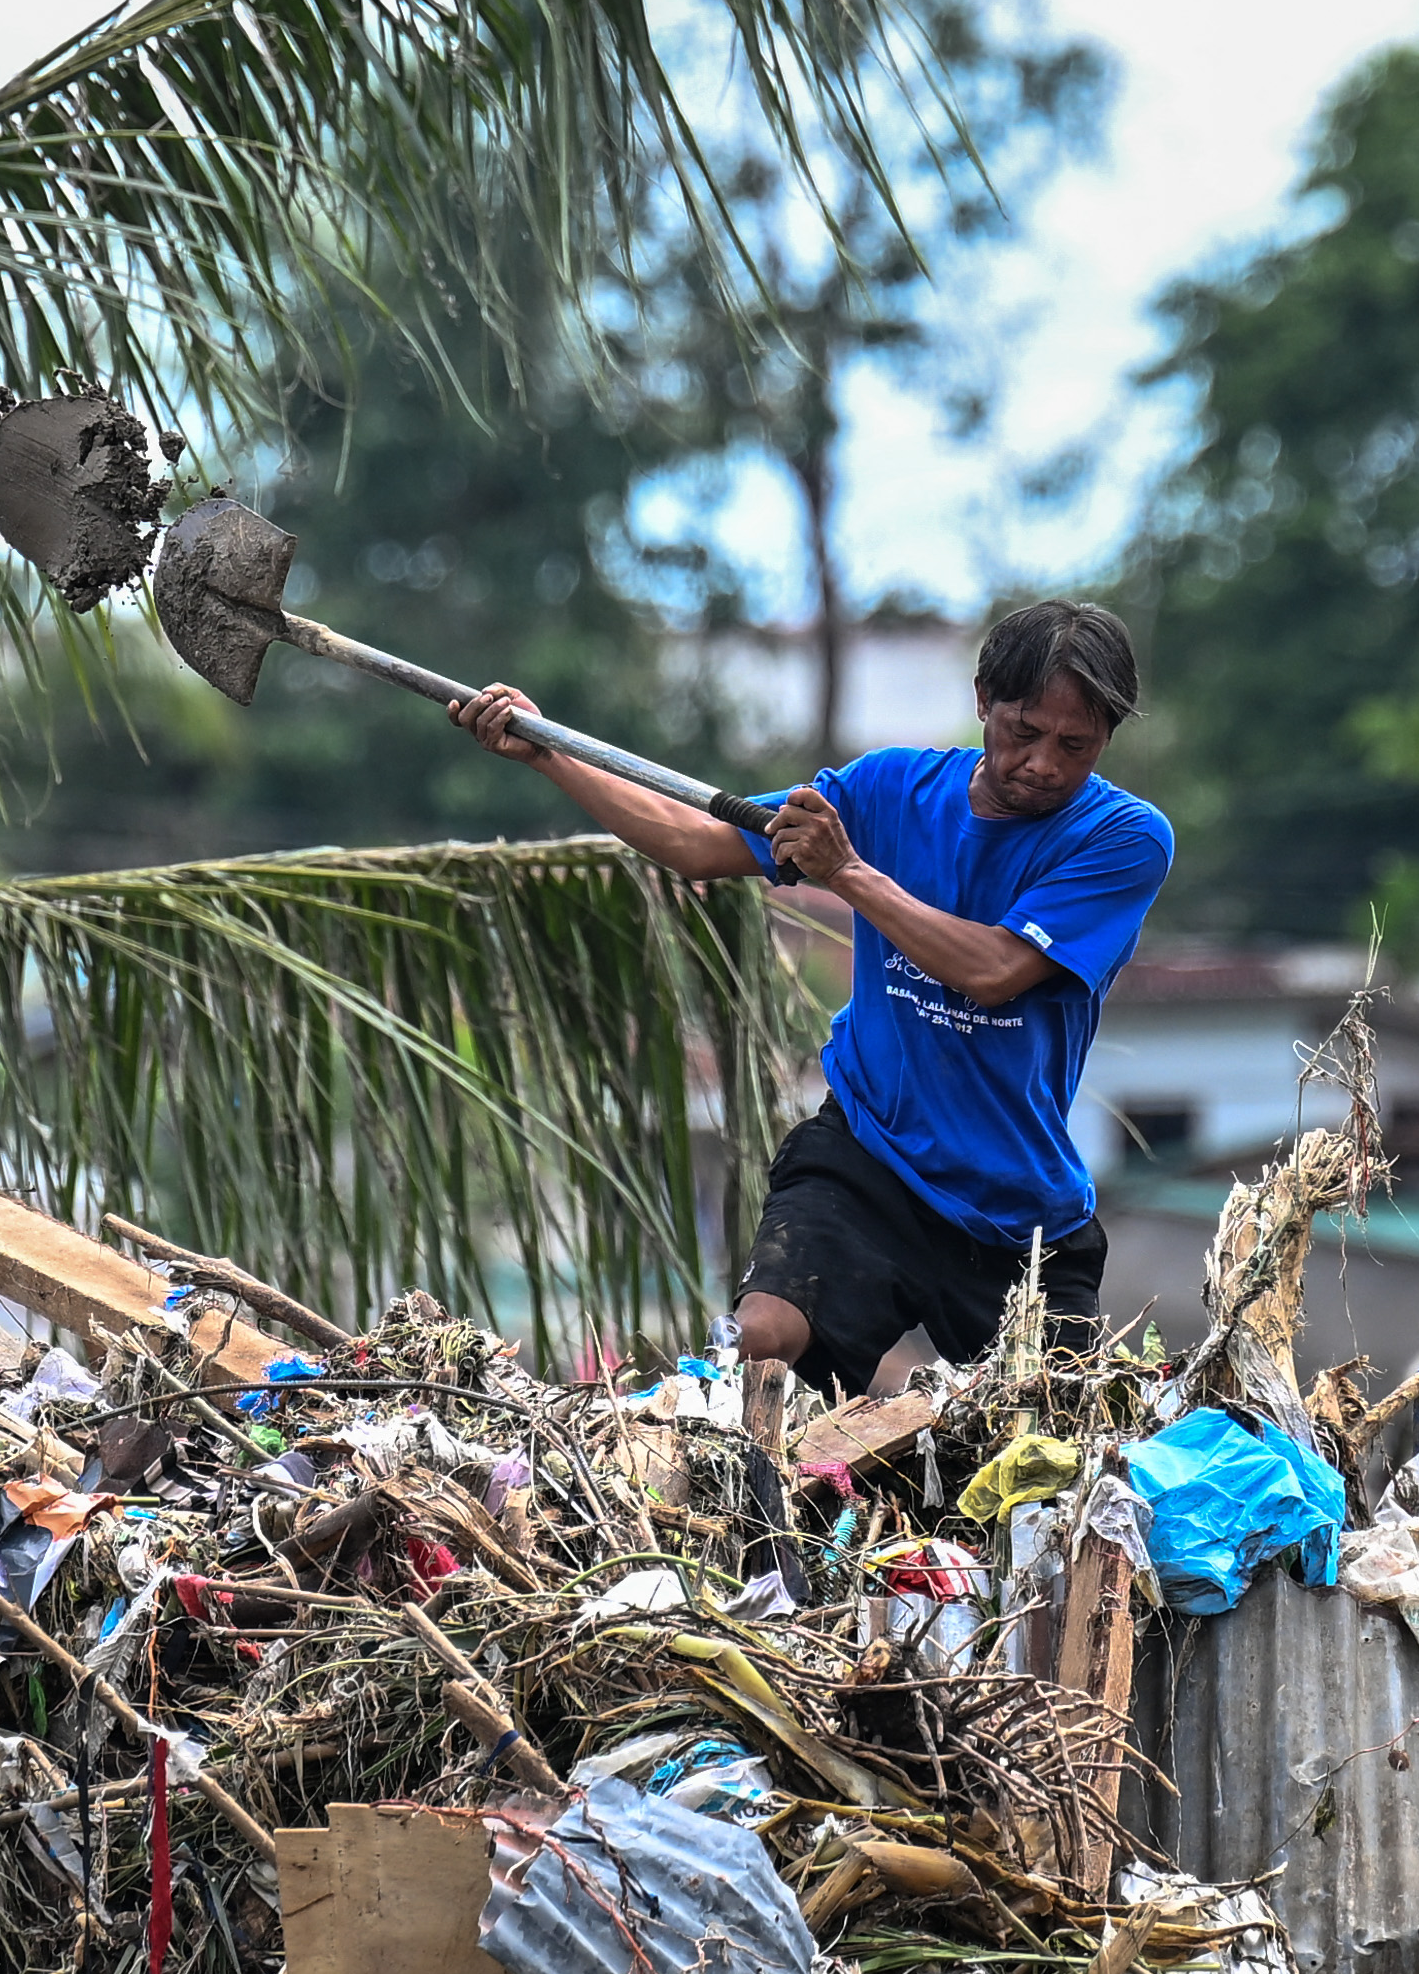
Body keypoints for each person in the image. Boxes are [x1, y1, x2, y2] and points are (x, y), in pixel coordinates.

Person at [450, 599, 1172, 1400]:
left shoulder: (1124, 838)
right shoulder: (884, 788)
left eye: (1076, 746)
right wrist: (550, 756)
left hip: (1018, 1213)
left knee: (1056, 1439)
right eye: (1023, 733)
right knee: (759, 1346)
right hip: (872, 1154)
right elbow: (697, 840)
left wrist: (846, 873)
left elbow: (995, 969)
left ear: (1107, 736)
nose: (1043, 764)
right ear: (983, 702)